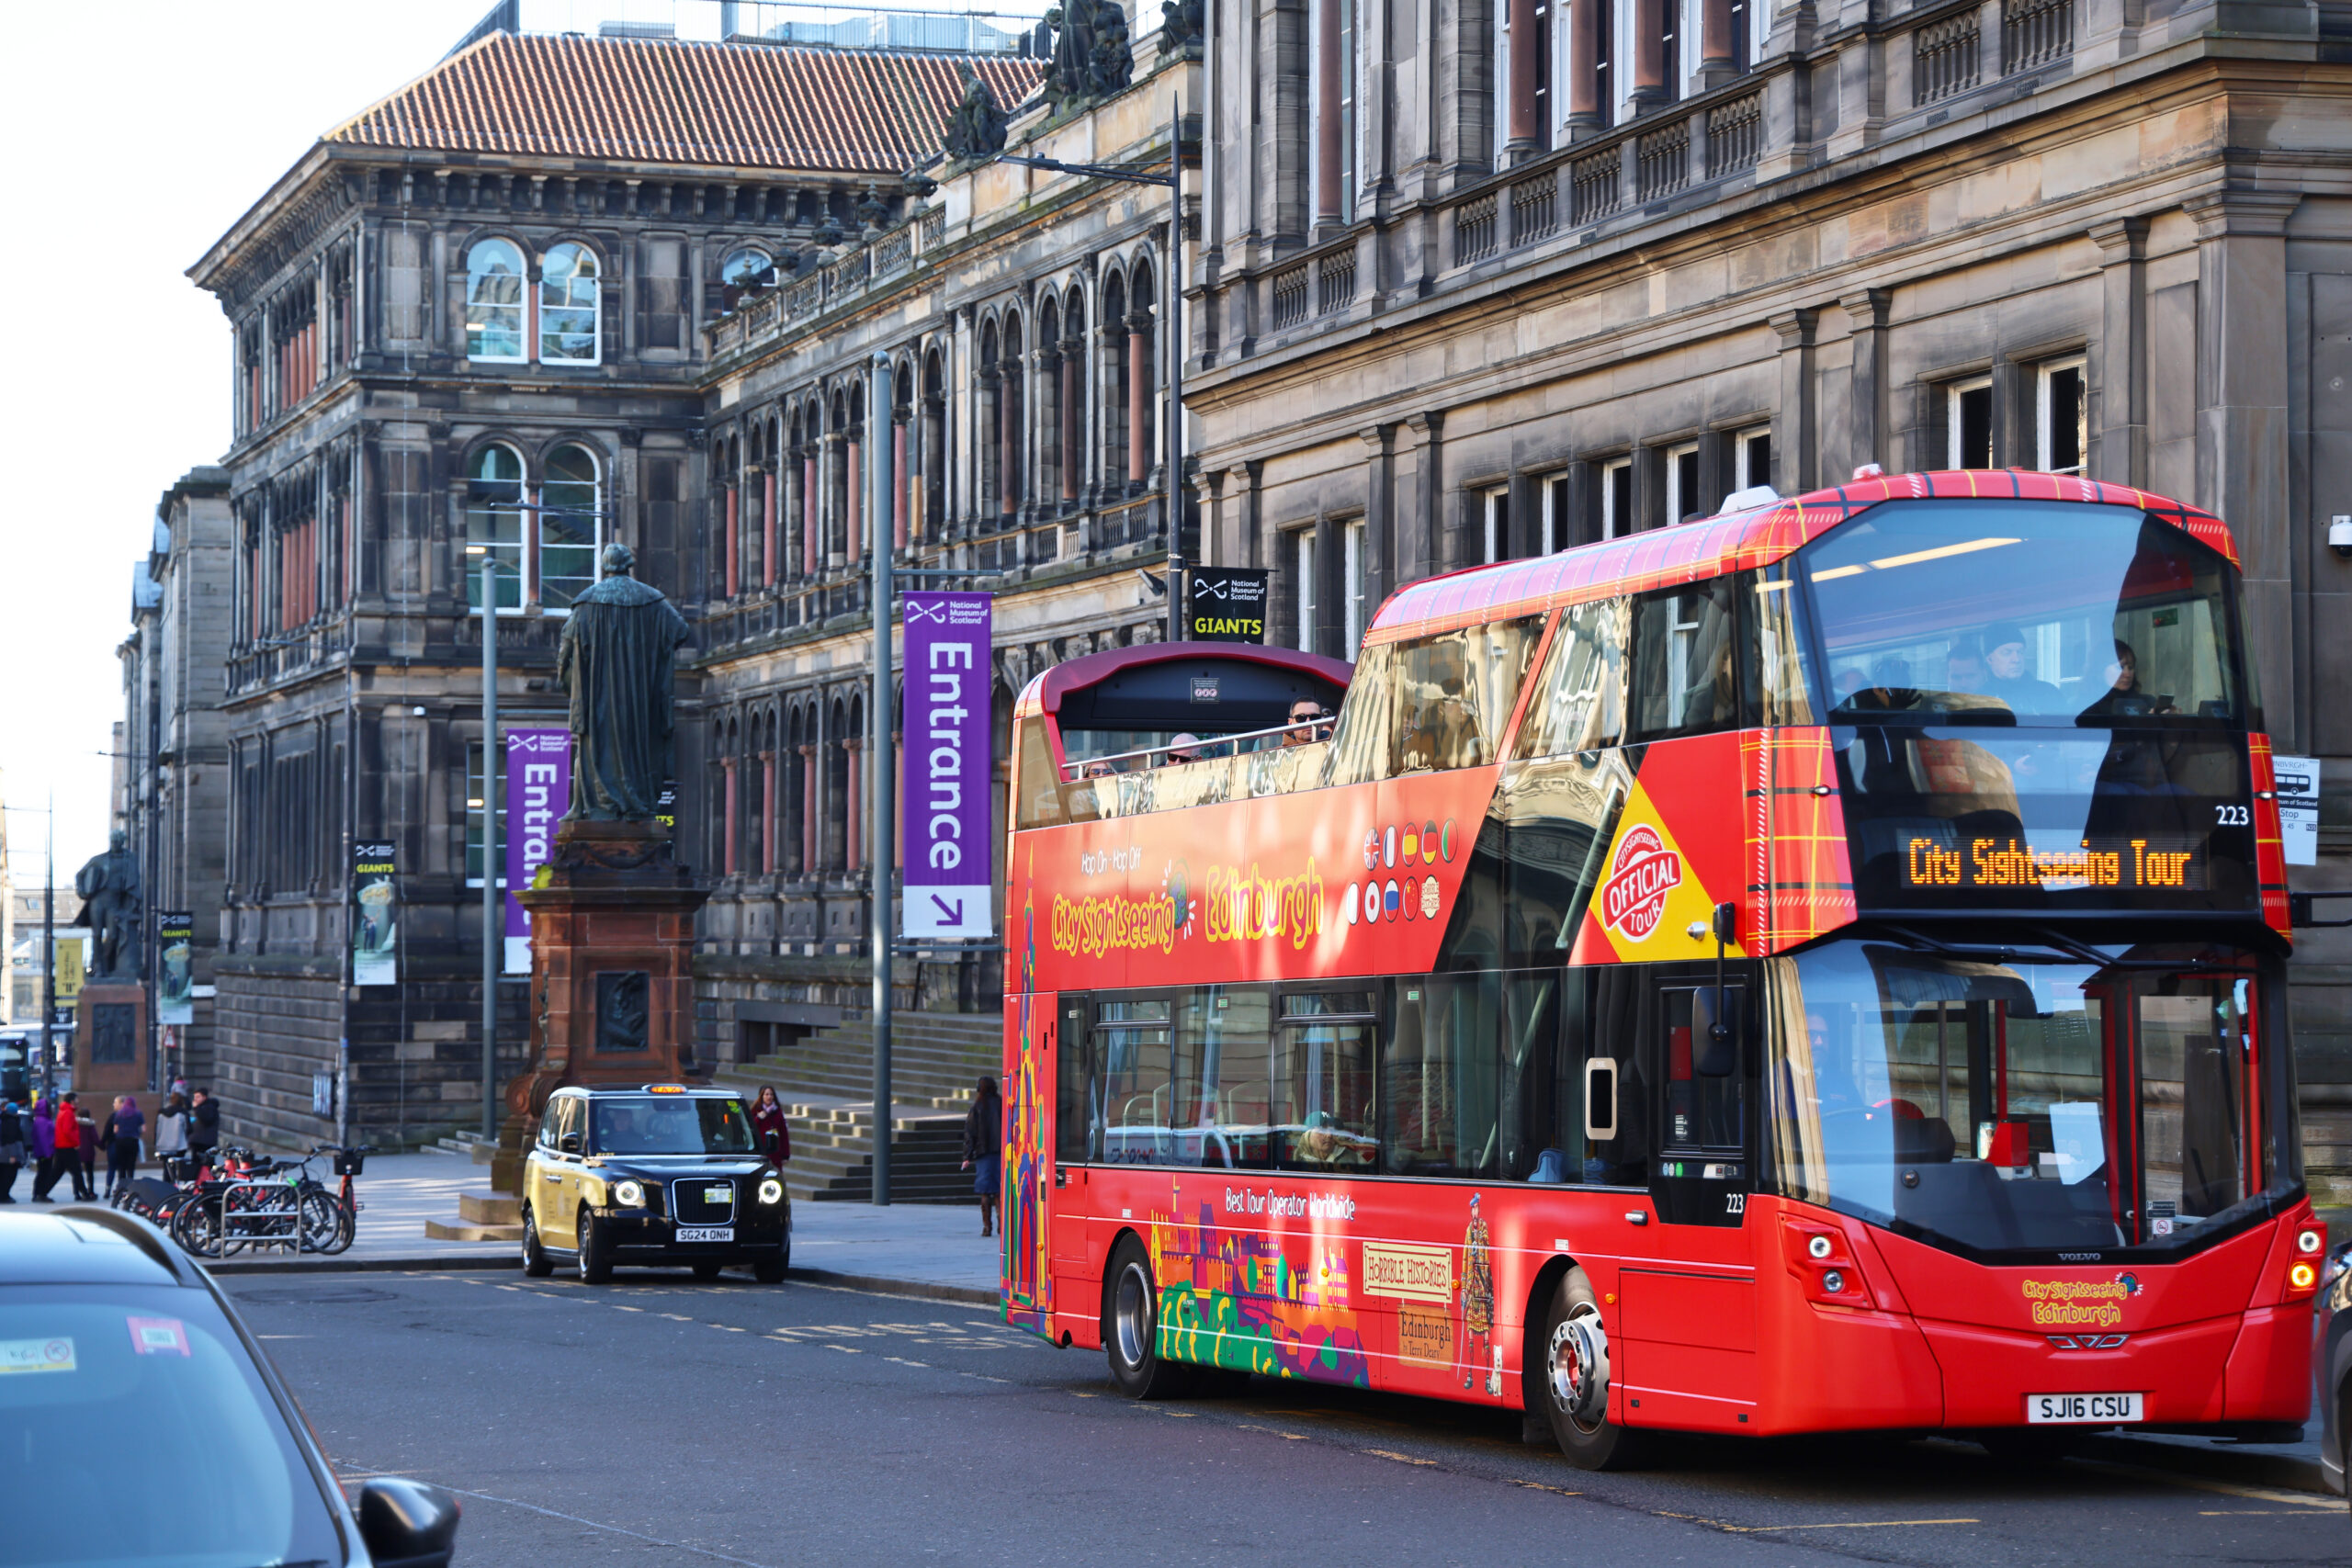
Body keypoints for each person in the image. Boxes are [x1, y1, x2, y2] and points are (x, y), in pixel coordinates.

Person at [1980, 621, 2064, 716]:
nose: (2016, 659)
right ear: (1990, 659)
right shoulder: (1980, 700)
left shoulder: (2048, 692)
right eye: (2007, 653)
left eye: (2020, 652)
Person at [961, 1075, 1004, 1238]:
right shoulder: (1002, 1104)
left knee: (985, 1193)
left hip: (983, 1154)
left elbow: (970, 1133)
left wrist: (967, 1156)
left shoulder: (977, 1107)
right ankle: (1002, 1225)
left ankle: (987, 1227)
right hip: (1001, 1154)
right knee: (999, 1191)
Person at [102, 1095, 144, 1199]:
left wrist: (102, 1143)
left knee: (119, 1168)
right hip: (133, 1141)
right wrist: (136, 1134)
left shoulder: (118, 1114)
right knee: (131, 1167)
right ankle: (130, 1189)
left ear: (123, 1104)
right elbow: (143, 1129)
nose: (113, 1105)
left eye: (115, 1102)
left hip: (119, 1143)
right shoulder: (138, 1113)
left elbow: (113, 1130)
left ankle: (117, 1190)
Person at [51, 1094, 88, 1202]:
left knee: (57, 1172)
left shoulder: (63, 1111)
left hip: (62, 1146)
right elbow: (67, 1131)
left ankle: (42, 1192)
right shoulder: (68, 1113)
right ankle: (84, 1193)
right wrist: (76, 1142)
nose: (78, 1101)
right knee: (76, 1171)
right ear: (72, 1101)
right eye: (76, 1099)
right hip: (68, 1146)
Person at [748, 1085, 790, 1171]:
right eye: (766, 1094)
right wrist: (758, 1118)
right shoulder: (755, 1110)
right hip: (760, 1151)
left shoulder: (778, 1112)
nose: (769, 1097)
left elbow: (784, 1134)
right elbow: (749, 1129)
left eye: (771, 1094)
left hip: (775, 1153)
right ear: (762, 1096)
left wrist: (786, 1155)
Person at [27, 1094, 56, 1202]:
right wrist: (48, 1153)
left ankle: (38, 1193)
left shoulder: (40, 1120)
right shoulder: (43, 1121)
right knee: (44, 1173)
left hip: (42, 1151)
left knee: (43, 1173)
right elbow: (44, 1138)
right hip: (45, 1152)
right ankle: (40, 1193)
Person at [153, 1091, 189, 1174]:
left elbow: (157, 1130)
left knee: (166, 1168)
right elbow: (188, 1129)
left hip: (164, 1144)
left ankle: (166, 1181)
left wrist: (156, 1142)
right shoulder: (183, 1113)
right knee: (178, 1169)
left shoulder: (161, 1114)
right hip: (179, 1145)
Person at [0, 1099, 23, 1203]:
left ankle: (4, 1194)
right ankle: (4, 1195)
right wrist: (13, 1155)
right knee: (9, 1175)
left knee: (4, 1174)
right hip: (8, 1153)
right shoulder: (11, 1122)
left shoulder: (5, 1120)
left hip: (4, 1152)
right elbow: (11, 1139)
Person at [187, 1088, 220, 1159]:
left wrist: (196, 1108)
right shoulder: (201, 1107)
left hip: (204, 1142)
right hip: (197, 1141)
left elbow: (206, 1120)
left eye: (198, 1097)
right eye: (194, 1097)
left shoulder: (209, 1107)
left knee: (204, 1162)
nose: (195, 1099)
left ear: (204, 1097)